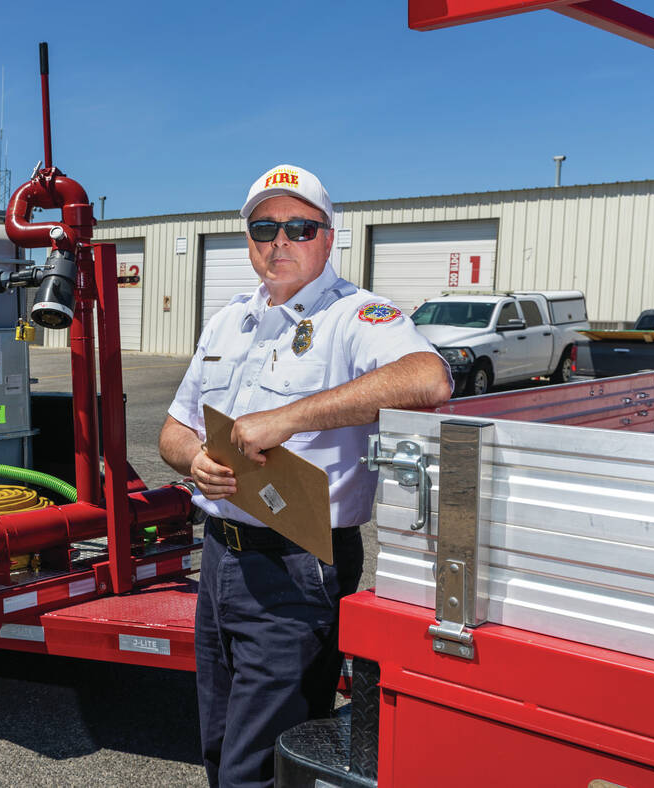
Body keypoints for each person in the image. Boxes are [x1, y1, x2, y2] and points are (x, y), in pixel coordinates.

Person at [158, 165, 452, 786]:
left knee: (258, 769)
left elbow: (427, 380)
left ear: (328, 237)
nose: (279, 240)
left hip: (298, 567)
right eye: (264, 227)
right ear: (248, 239)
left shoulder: (357, 316)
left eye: (299, 226)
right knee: (216, 746)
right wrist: (195, 461)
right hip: (219, 558)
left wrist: (288, 418)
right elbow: (173, 430)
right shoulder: (228, 321)